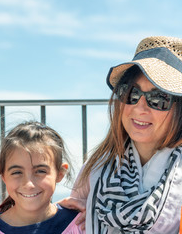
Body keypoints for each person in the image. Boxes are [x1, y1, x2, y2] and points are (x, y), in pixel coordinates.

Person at [66, 36, 182, 233]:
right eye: (131, 94)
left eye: (158, 98)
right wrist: (59, 215)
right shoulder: (96, 167)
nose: (140, 108)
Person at [0, 121, 83, 234]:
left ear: (60, 173)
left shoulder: (81, 224)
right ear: (3, 174)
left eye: (40, 171)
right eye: (17, 172)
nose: (29, 184)